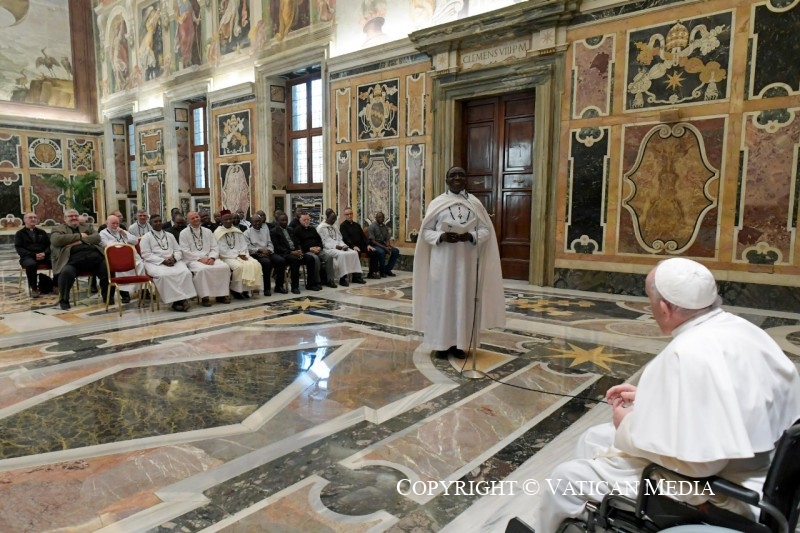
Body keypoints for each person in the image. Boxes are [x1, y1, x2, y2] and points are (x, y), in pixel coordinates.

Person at [538, 258, 800, 532]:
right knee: (593, 437)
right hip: (766, 471)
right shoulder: (740, 328)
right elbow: (734, 396)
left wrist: (626, 424)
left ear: (663, 307)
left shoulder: (688, 352)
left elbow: (699, 464)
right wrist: (657, 395)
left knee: (565, 479)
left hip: (724, 493)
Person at [412, 166, 505, 359]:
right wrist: (442, 236)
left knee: (463, 301)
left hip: (467, 264)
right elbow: (426, 232)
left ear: (466, 179)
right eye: (452, 175)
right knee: (442, 301)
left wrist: (470, 236)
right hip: (442, 263)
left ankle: (459, 344)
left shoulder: (474, 203)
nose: (457, 178)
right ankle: (441, 344)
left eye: (460, 175)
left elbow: (486, 231)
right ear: (446, 180)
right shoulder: (437, 203)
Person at [50, 209, 112, 310]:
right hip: (72, 261)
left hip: (93, 259)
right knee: (66, 273)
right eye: (70, 216)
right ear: (65, 219)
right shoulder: (57, 228)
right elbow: (57, 240)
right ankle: (64, 300)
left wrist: (78, 241)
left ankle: (108, 296)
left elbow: (97, 238)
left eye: (76, 215)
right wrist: (79, 236)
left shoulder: (87, 227)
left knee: (107, 268)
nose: (74, 218)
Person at [139, 214, 195, 312]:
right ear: (150, 224)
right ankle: (176, 302)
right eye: (155, 221)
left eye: (160, 221)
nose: (158, 223)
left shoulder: (170, 235)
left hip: (172, 261)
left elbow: (178, 250)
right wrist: (162, 261)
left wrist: (174, 258)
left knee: (185, 272)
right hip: (154, 262)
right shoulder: (146, 237)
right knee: (164, 275)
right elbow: (146, 254)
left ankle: (181, 300)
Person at [180, 211, 232, 306]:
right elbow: (185, 251)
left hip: (209, 257)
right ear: (188, 221)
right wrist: (200, 259)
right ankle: (205, 297)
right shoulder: (184, 233)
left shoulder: (207, 231)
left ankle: (221, 295)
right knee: (202, 270)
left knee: (224, 267)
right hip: (193, 260)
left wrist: (212, 258)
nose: (196, 219)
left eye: (197, 217)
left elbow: (214, 247)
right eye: (193, 218)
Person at [214, 210, 263, 299]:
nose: (228, 221)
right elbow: (222, 249)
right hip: (226, 257)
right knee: (239, 267)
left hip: (241, 255)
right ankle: (235, 290)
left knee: (256, 264)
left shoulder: (237, 231)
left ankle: (246, 289)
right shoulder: (218, 232)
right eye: (226, 219)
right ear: (221, 221)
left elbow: (243, 244)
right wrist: (237, 255)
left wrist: (243, 254)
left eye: (230, 219)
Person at [270, 212, 319, 294]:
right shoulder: (274, 232)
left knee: (310, 258)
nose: (285, 222)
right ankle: (294, 286)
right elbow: (277, 247)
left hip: (295, 252)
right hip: (284, 254)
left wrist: (299, 250)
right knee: (295, 260)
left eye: (286, 220)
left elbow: (297, 242)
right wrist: (291, 252)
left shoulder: (290, 230)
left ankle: (310, 284)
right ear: (278, 221)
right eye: (282, 220)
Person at [99, 214, 142, 304]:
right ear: (107, 223)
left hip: (130, 256)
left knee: (141, 265)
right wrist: (123, 246)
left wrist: (125, 234)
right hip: (115, 258)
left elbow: (135, 241)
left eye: (117, 223)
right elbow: (108, 246)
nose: (115, 226)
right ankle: (124, 294)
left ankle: (143, 291)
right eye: (113, 223)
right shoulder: (103, 233)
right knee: (119, 270)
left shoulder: (122, 231)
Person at [317, 209, 366, 286]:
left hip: (339, 246)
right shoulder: (321, 228)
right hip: (328, 249)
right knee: (342, 255)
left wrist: (343, 246)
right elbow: (323, 242)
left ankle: (357, 277)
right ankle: (342, 278)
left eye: (335, 219)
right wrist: (336, 246)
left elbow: (340, 238)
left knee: (354, 253)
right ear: (327, 218)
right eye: (332, 219)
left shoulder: (335, 226)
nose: (334, 221)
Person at [244, 213, 286, 295]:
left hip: (268, 252)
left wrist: (269, 251)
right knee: (266, 263)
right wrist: (259, 250)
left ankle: (279, 286)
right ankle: (267, 288)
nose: (257, 223)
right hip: (256, 254)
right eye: (255, 221)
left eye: (259, 221)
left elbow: (270, 243)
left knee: (281, 260)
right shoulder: (247, 233)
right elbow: (248, 247)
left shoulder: (265, 231)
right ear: (251, 223)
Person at [15, 212, 52, 298]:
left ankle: (55, 285)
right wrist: (34, 255)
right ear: (25, 220)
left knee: (57, 261)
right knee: (31, 264)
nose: (33, 219)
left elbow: (49, 245)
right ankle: (34, 288)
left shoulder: (42, 232)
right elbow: (19, 248)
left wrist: (45, 253)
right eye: (30, 217)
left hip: (44, 255)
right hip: (28, 257)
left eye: (35, 217)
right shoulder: (20, 234)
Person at [340, 206, 378, 278]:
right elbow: (345, 238)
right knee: (356, 253)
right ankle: (356, 277)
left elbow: (363, 236)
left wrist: (367, 245)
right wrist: (353, 246)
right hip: (350, 246)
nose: (349, 215)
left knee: (373, 252)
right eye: (347, 214)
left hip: (361, 245)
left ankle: (372, 273)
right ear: (345, 215)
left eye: (351, 213)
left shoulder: (357, 225)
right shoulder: (343, 226)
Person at [293, 212, 329, 289]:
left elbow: (319, 240)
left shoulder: (312, 229)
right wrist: (310, 249)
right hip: (306, 251)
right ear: (300, 220)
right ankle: (317, 281)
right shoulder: (297, 230)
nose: (306, 221)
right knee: (315, 259)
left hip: (317, 249)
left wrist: (319, 247)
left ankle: (329, 280)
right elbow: (298, 245)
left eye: (307, 219)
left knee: (329, 257)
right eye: (304, 220)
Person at [368, 211, 399, 277]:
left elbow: (386, 239)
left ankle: (387, 269)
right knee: (381, 252)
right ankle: (382, 271)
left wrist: (387, 245)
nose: (381, 218)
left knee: (395, 251)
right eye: (379, 217)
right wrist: (384, 248)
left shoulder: (385, 227)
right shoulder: (372, 227)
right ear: (375, 218)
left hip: (383, 244)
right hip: (375, 245)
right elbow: (372, 241)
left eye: (382, 217)